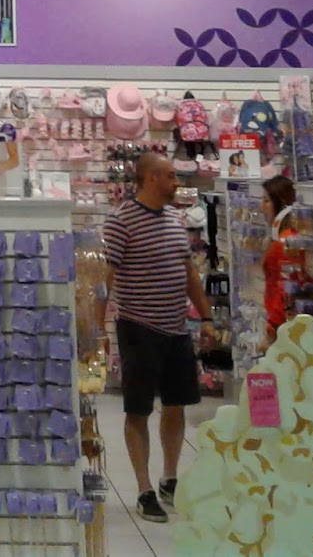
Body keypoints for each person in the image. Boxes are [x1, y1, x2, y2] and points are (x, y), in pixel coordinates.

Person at [103, 153, 210, 526]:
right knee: (138, 410)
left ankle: (170, 478)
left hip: (176, 328)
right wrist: (97, 329)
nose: (176, 182)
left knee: (177, 405)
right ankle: (144, 489)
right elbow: (106, 278)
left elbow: (189, 273)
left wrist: (207, 317)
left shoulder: (175, 219)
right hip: (138, 328)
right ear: (149, 178)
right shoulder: (120, 221)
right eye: (169, 175)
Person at [260, 175, 300, 341]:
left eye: (266, 201)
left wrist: (274, 327)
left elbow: (282, 287)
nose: (262, 207)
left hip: (282, 326)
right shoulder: (282, 239)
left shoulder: (284, 242)